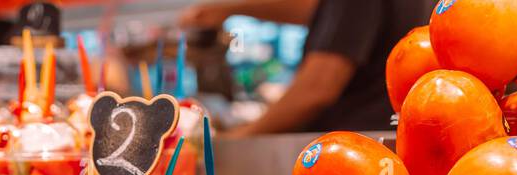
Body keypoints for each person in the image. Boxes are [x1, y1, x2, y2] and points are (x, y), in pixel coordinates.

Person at [182, 0, 436, 136]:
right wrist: (230, 9)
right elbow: (320, 9)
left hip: (351, 151)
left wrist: (241, 138)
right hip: (383, 143)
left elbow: (317, 90)